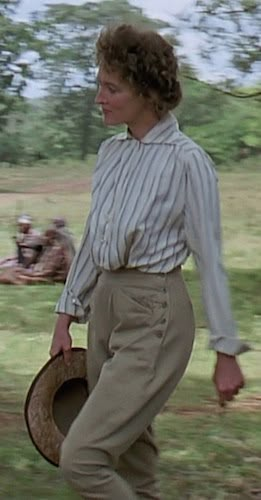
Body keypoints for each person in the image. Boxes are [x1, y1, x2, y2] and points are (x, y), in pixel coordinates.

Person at [49, 24, 249, 499]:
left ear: (147, 91)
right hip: (105, 307)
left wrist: (225, 352)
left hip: (155, 314)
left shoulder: (187, 161)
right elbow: (97, 235)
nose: (99, 97)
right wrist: (66, 313)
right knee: (133, 458)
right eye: (99, 84)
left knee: (83, 458)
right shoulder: (111, 154)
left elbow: (210, 260)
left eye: (111, 87)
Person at [0, 226, 73, 285]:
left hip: (49, 277)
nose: (42, 238)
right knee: (13, 271)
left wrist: (30, 273)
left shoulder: (57, 251)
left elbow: (47, 272)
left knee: (14, 275)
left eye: (45, 236)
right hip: (39, 272)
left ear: (51, 238)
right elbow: (29, 262)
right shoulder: (48, 249)